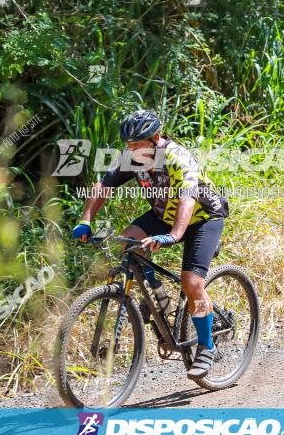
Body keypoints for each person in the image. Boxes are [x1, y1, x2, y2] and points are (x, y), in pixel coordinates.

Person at [71, 109, 228, 379]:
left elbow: (188, 197)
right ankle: (159, 296)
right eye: (129, 146)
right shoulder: (130, 158)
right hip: (163, 214)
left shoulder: (176, 157)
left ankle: (207, 346)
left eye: (138, 145)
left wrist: (175, 235)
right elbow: (103, 186)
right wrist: (86, 220)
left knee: (192, 283)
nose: (133, 151)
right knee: (128, 241)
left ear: (155, 138)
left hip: (203, 217)